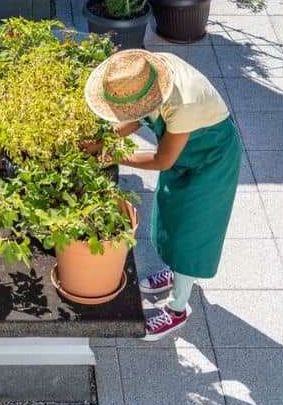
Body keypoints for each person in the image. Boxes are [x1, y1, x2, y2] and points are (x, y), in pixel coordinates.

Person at [84, 48, 243, 341]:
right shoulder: (147, 73)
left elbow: (163, 161)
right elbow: (139, 115)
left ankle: (177, 311)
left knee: (192, 234)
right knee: (172, 214)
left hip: (211, 159)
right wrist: (100, 141)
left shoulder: (185, 103)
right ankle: (174, 272)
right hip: (186, 152)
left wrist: (114, 155)